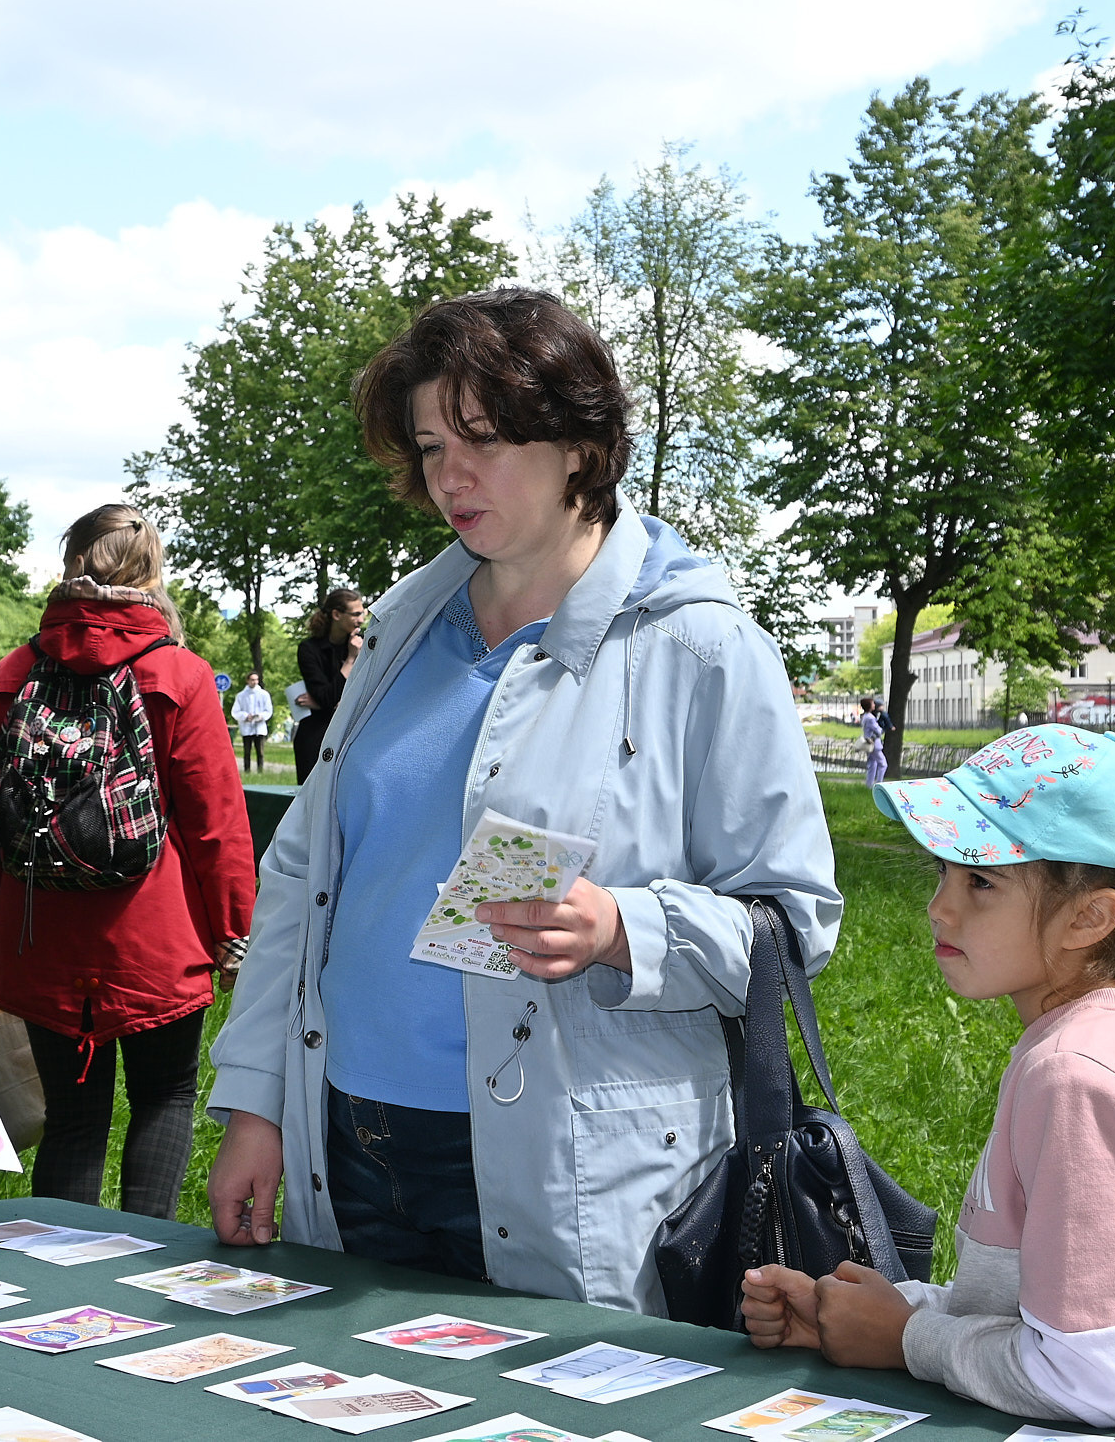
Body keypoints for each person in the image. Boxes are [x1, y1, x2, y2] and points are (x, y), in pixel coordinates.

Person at [204, 288, 838, 1313]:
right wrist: (257, 1108)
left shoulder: (703, 647)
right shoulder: (404, 625)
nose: (448, 478)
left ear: (581, 447)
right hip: (346, 1145)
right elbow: (302, 879)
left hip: (561, 1168)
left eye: (483, 441)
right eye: (427, 448)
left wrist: (620, 926)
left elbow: (793, 924)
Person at [742, 724, 1115, 1432]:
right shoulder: (1103, 1035)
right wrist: (878, 1313)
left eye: (980, 881)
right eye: (942, 872)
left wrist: (905, 1340)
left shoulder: (1075, 1078)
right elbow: (1034, 1306)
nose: (940, 906)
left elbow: (1088, 1380)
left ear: (1089, 917)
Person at [0, 504, 258, 1216]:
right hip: (158, 941)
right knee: (163, 1097)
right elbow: (218, 822)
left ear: (71, 567)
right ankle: (144, 1265)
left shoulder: (17, 669)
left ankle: (60, 1274)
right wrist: (234, 932)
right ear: (149, 573)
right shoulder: (179, 674)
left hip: (39, 938)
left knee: (73, 1116)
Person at [292, 587, 364, 782]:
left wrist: (322, 704)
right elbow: (328, 697)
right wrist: (350, 660)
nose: (361, 620)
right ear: (336, 615)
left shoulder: (365, 645)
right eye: (356, 614)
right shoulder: (309, 649)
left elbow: (368, 694)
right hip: (316, 736)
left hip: (351, 735)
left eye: (363, 613)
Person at [233, 671, 275, 774]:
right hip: (247, 727)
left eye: (256, 680)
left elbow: (268, 710)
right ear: (248, 681)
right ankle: (247, 770)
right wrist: (245, 716)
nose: (254, 682)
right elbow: (235, 711)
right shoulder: (241, 695)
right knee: (247, 751)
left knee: (260, 751)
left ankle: (260, 771)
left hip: (259, 727)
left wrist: (261, 716)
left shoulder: (264, 694)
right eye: (252, 680)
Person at [859, 694, 887, 785]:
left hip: (868, 743)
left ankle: (869, 784)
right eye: (872, 704)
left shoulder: (865, 716)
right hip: (874, 744)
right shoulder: (871, 718)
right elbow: (878, 731)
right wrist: (883, 727)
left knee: (872, 764)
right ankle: (879, 783)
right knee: (883, 764)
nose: (874, 705)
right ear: (869, 706)